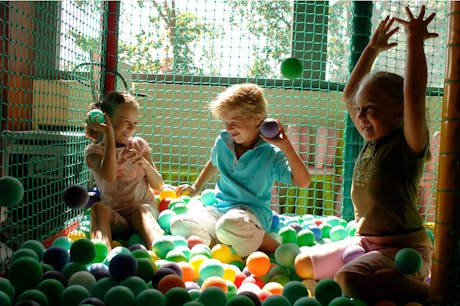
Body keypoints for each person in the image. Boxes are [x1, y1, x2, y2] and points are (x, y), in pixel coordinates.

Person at [294, 6, 438, 303]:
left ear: (399, 112)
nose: (360, 116)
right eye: (359, 111)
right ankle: (389, 282)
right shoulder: (370, 139)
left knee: (348, 278)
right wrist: (372, 48)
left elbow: (414, 92)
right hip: (365, 241)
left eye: (370, 109)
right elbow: (349, 94)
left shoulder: (407, 144)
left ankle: (431, 294)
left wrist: (414, 42)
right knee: (302, 264)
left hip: (404, 250)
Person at [170, 83, 311, 257]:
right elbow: (214, 162)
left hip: (249, 215)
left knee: (230, 224)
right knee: (179, 223)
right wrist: (195, 186)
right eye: (226, 123)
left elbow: (304, 182)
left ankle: (268, 246)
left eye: (234, 122)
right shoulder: (223, 142)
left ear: (257, 119)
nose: (229, 128)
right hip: (220, 209)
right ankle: (226, 244)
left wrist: (285, 145)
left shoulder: (270, 154)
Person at [85, 91, 164, 251]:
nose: (132, 127)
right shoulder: (94, 152)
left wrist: (144, 164)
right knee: (97, 208)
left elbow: (158, 185)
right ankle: (100, 255)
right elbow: (109, 175)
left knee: (140, 210)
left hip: (143, 212)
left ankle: (162, 250)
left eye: (135, 122)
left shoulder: (139, 146)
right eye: (126, 122)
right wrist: (108, 133)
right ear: (106, 120)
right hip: (117, 219)